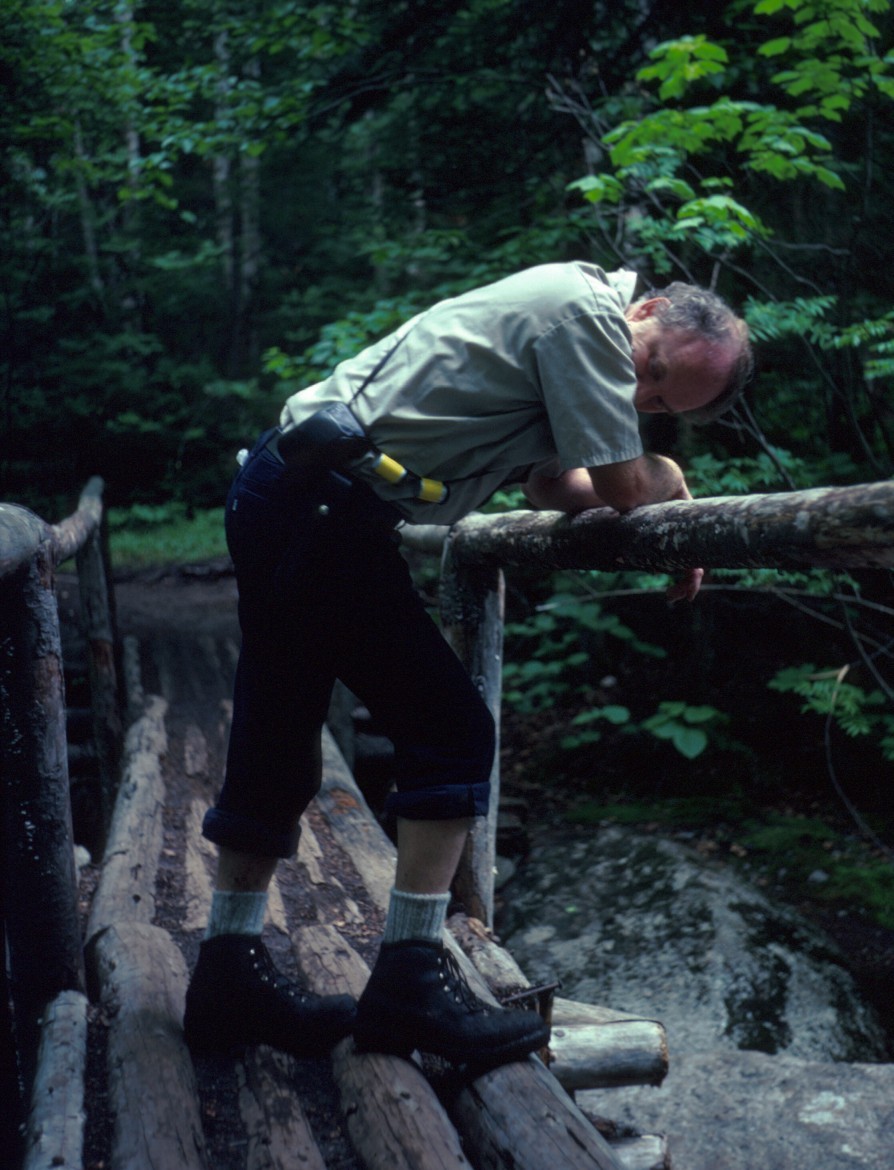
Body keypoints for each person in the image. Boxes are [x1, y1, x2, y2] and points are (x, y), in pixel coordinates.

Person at [183, 261, 752, 1069]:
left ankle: (226, 975)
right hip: (319, 508)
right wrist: (671, 476)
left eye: (660, 405)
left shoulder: (575, 346)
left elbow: (553, 487)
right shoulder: (583, 313)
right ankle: (409, 981)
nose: (640, 395)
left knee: (279, 734)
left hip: (300, 497)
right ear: (648, 309)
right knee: (449, 729)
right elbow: (625, 487)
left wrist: (638, 478)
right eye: (653, 368)